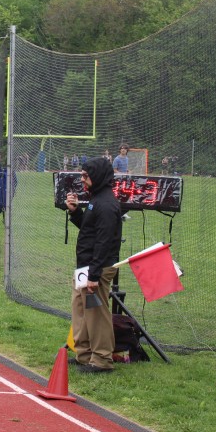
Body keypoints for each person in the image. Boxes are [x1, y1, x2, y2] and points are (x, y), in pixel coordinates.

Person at [63, 157, 122, 373]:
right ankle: (84, 355)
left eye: (86, 175)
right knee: (80, 310)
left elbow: (104, 242)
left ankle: (102, 360)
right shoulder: (96, 199)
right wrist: (75, 212)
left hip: (96, 268)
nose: (82, 179)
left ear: (97, 176)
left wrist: (94, 275)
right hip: (86, 267)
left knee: (96, 313)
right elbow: (90, 230)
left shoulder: (106, 204)